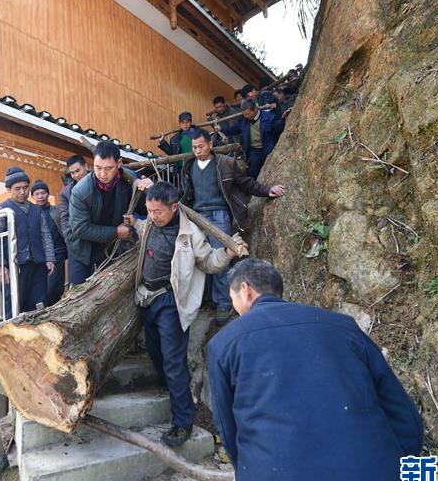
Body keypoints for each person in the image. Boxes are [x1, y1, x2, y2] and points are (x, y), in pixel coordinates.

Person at [208, 259, 436, 481]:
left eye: (232, 298)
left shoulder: (224, 344)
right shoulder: (343, 326)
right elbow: (405, 419)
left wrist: (248, 471)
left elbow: (229, 430)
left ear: (245, 290)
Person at [126, 182, 246, 447]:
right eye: (149, 211)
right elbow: (140, 225)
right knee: (155, 353)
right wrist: (134, 220)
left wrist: (227, 252)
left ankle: (183, 422)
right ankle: (170, 387)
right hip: (146, 297)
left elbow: (208, 262)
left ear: (174, 207)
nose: (153, 216)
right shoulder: (150, 225)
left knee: (173, 360)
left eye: (158, 211)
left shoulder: (190, 233)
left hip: (171, 300)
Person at [179, 132, 286, 323]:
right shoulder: (189, 166)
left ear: (210, 144)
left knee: (222, 258)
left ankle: (223, 303)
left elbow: (245, 183)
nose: (197, 151)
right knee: (198, 259)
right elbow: (185, 192)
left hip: (219, 215)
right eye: (194, 147)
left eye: (201, 146)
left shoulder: (225, 163)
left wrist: (266, 190)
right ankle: (206, 299)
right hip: (196, 217)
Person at [68, 141, 152, 286]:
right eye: (98, 167)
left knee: (107, 288)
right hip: (82, 249)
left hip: (110, 247)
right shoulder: (80, 191)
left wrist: (150, 189)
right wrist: (116, 231)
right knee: (77, 290)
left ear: (119, 163)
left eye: (108, 168)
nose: (102, 174)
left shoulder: (129, 180)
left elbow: (145, 209)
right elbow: (80, 228)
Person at [0, 166, 55, 315]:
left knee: (38, 307)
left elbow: (45, 235)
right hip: (14, 267)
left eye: (25, 188)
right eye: (17, 189)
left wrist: (50, 258)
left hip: (38, 265)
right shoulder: (2, 209)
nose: (23, 192)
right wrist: (0, 266)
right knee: (13, 308)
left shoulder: (37, 209)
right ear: (8, 189)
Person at [31, 179, 67, 306]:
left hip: (58, 253)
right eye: (37, 194)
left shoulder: (57, 211)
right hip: (40, 257)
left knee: (53, 288)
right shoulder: (32, 214)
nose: (40, 196)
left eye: (43, 193)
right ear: (33, 196)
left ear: (48, 194)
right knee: (41, 290)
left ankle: (56, 309)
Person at [223, 98, 269, 178]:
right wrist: (221, 129)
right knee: (253, 168)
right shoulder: (243, 120)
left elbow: (278, 128)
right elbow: (234, 129)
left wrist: (283, 119)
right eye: (244, 114)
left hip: (267, 148)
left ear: (255, 109)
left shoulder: (268, 117)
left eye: (248, 114)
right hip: (253, 150)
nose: (246, 116)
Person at [59, 154, 88, 240]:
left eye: (78, 170)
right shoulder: (66, 192)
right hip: (80, 236)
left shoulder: (99, 181)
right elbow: (65, 217)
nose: (76, 175)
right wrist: (68, 238)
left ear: (86, 167)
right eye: (72, 173)